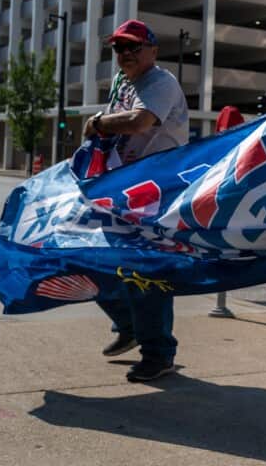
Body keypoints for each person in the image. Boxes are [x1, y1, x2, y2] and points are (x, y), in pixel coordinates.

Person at [83, 19, 190, 382]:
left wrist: (98, 122)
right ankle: (128, 325)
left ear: (153, 50)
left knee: (146, 273)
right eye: (118, 48)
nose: (125, 54)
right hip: (120, 191)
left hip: (155, 194)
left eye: (133, 47)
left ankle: (158, 352)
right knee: (87, 258)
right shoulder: (123, 82)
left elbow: (141, 121)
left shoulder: (160, 82)